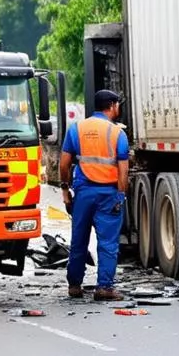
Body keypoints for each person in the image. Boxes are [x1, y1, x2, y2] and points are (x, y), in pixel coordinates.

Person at [59, 90, 129, 301]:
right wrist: (121, 195)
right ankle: (104, 288)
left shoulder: (76, 128)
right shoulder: (117, 133)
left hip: (83, 193)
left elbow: (64, 164)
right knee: (108, 243)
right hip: (108, 194)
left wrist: (65, 190)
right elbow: (123, 171)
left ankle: (74, 285)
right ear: (112, 106)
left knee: (79, 239)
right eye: (117, 104)